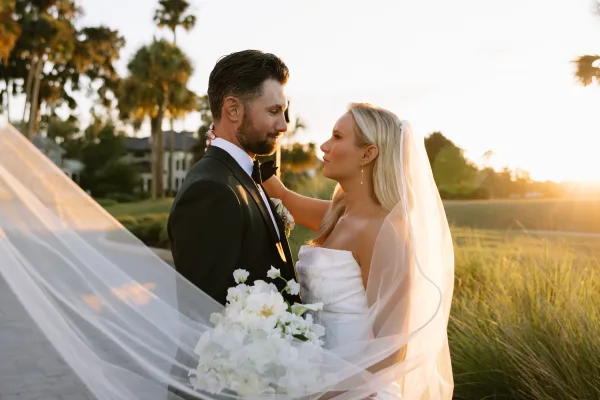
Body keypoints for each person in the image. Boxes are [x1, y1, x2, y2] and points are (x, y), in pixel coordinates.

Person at [262, 103, 455, 399]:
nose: (324, 146)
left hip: (356, 391)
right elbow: (282, 196)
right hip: (312, 377)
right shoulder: (339, 214)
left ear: (368, 153)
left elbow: (393, 348)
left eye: (337, 137)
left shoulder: (385, 231)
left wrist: (328, 393)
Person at [167, 49, 300, 306]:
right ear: (233, 109)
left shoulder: (242, 177)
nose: (284, 125)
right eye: (274, 111)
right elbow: (204, 314)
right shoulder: (210, 190)